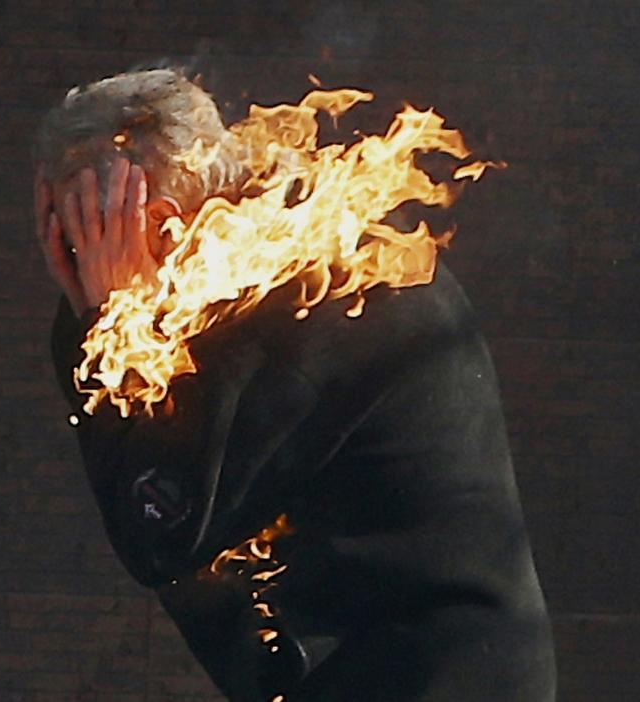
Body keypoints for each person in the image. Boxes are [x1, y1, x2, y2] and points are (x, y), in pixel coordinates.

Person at [32, 68, 557, 701]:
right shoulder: (217, 287)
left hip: (429, 678)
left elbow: (159, 530)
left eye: (86, 233)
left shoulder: (319, 300)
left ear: (165, 223)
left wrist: (109, 322)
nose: (78, 263)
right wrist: (101, 324)